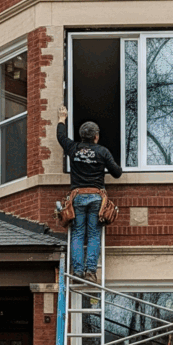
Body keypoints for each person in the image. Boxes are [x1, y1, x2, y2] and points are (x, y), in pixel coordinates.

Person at [56, 105, 121, 281]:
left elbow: (61, 137)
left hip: (77, 197)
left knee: (77, 233)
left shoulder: (73, 148)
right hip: (96, 197)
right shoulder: (102, 151)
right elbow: (117, 173)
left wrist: (62, 118)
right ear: (96, 136)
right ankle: (90, 272)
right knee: (93, 234)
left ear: (82, 136)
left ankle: (77, 271)